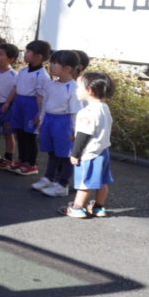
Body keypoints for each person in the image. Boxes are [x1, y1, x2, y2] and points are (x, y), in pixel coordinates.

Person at [60, 71, 115, 218]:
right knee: (102, 181)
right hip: (103, 151)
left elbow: (83, 136)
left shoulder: (87, 112)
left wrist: (75, 154)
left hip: (89, 154)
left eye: (79, 87)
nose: (76, 90)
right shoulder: (104, 107)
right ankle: (98, 207)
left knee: (85, 183)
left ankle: (77, 208)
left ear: (89, 90)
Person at [32, 50, 83, 198]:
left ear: (67, 68)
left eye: (55, 63)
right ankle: (49, 178)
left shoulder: (74, 88)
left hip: (64, 123)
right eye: (51, 62)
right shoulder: (51, 84)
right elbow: (45, 104)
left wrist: (75, 131)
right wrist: (41, 120)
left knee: (65, 155)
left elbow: (75, 112)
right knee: (52, 152)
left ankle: (62, 184)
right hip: (49, 120)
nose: (51, 65)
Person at [3, 39, 52, 176]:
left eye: (29, 51)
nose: (25, 54)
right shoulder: (23, 71)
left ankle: (31, 164)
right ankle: (21, 160)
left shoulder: (42, 75)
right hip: (19, 103)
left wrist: (39, 114)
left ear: (39, 56)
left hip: (31, 106)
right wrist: (8, 102)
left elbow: (40, 97)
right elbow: (15, 88)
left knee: (30, 135)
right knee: (20, 133)